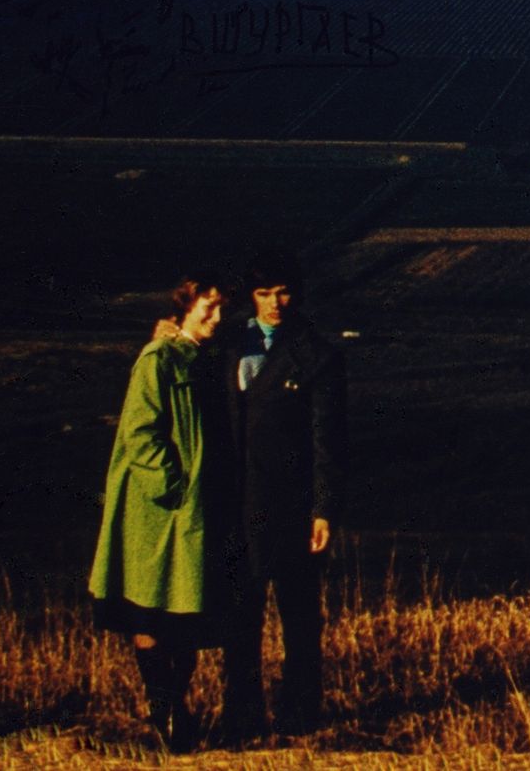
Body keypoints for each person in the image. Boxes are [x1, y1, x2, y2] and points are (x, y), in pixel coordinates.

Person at [88, 273, 238, 751]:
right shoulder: (158, 359)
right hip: (158, 509)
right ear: (185, 309)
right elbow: (141, 432)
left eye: (220, 310)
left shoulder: (203, 359)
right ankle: (165, 707)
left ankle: (175, 706)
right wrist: (173, 486)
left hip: (193, 507)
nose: (215, 319)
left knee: (187, 608)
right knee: (150, 609)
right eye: (206, 310)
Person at [221, 251, 347, 738]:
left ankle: (300, 716)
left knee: (298, 616)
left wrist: (323, 509)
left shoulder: (317, 354)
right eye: (264, 293)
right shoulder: (226, 345)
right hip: (234, 501)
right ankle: (242, 716)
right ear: (250, 296)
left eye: (283, 292)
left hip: (292, 505)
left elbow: (327, 439)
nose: (276, 303)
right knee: (239, 618)